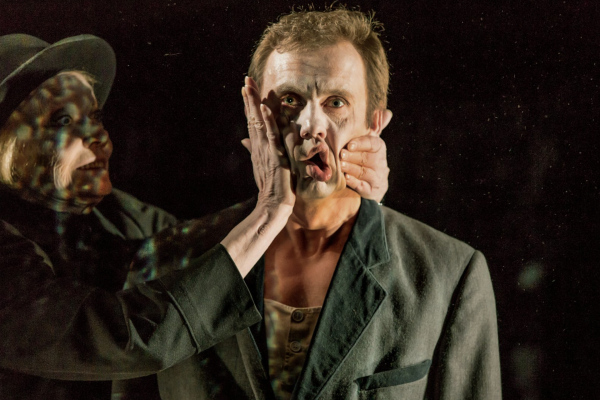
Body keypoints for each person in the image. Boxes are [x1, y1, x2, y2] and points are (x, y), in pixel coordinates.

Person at [0, 34, 389, 399]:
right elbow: (125, 337)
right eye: (62, 122)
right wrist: (274, 208)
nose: (98, 137)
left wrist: (347, 203)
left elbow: (210, 264)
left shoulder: (119, 216)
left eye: (96, 116)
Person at [152, 7, 502, 400]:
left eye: (336, 102)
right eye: (290, 99)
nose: (310, 126)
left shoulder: (448, 274)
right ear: (254, 112)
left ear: (374, 123)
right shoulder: (169, 257)